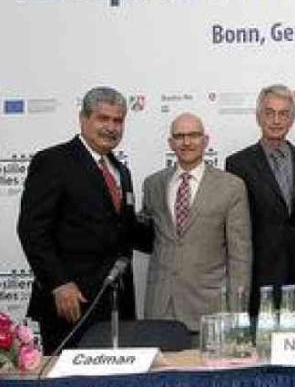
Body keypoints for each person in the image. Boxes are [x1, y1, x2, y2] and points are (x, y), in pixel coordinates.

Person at [17, 87, 150, 354]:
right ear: (83, 119)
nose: (111, 127)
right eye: (103, 118)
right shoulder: (53, 161)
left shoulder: (121, 171)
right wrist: (58, 283)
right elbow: (32, 229)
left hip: (116, 304)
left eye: (118, 120)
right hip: (70, 303)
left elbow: (125, 230)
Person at [141, 113, 251, 332]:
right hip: (159, 308)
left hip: (209, 309)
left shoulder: (231, 186)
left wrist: (237, 312)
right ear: (170, 143)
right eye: (179, 136)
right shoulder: (153, 184)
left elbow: (240, 255)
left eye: (193, 135)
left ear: (206, 141)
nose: (186, 142)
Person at [226, 85, 295, 313]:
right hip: (259, 278)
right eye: (269, 113)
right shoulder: (238, 164)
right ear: (258, 117)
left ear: (292, 119)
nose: (276, 120)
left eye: (284, 113)